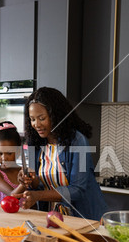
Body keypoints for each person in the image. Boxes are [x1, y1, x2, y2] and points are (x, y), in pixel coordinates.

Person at [19, 87, 107, 221]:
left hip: (83, 218)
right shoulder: (34, 143)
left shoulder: (78, 141)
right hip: (51, 218)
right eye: (32, 119)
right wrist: (28, 179)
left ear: (56, 115)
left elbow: (77, 190)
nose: (36, 124)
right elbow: (38, 184)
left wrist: (39, 195)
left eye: (41, 118)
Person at [0, 121, 26, 203]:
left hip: (25, 215)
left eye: (9, 153)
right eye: (0, 153)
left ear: (18, 151)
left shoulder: (24, 171)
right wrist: (25, 183)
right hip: (2, 216)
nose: (4, 158)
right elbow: (12, 195)